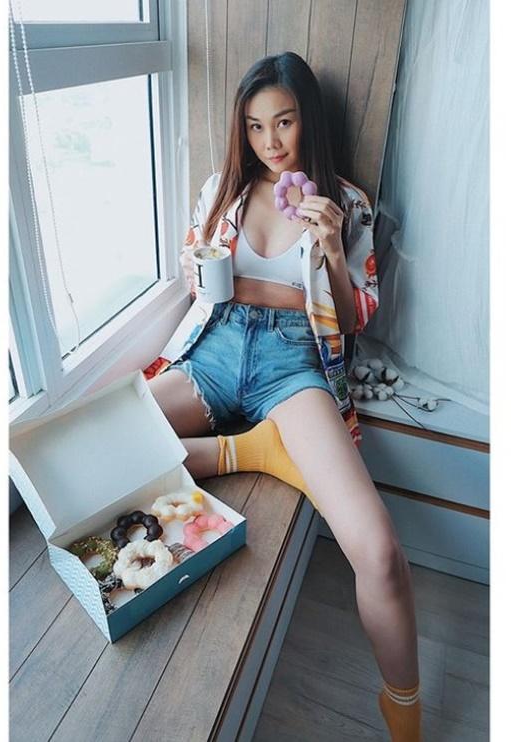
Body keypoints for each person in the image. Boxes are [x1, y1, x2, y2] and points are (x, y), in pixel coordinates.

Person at [145, 52, 421, 742]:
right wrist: (222, 275)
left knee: (379, 551)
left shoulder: (346, 204)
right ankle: (248, 451)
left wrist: (331, 248)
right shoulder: (222, 191)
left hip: (293, 364)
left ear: (309, 122)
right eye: (255, 125)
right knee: (106, 448)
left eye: (285, 122)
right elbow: (201, 283)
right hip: (214, 350)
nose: (270, 142)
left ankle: (404, 711)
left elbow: (354, 321)